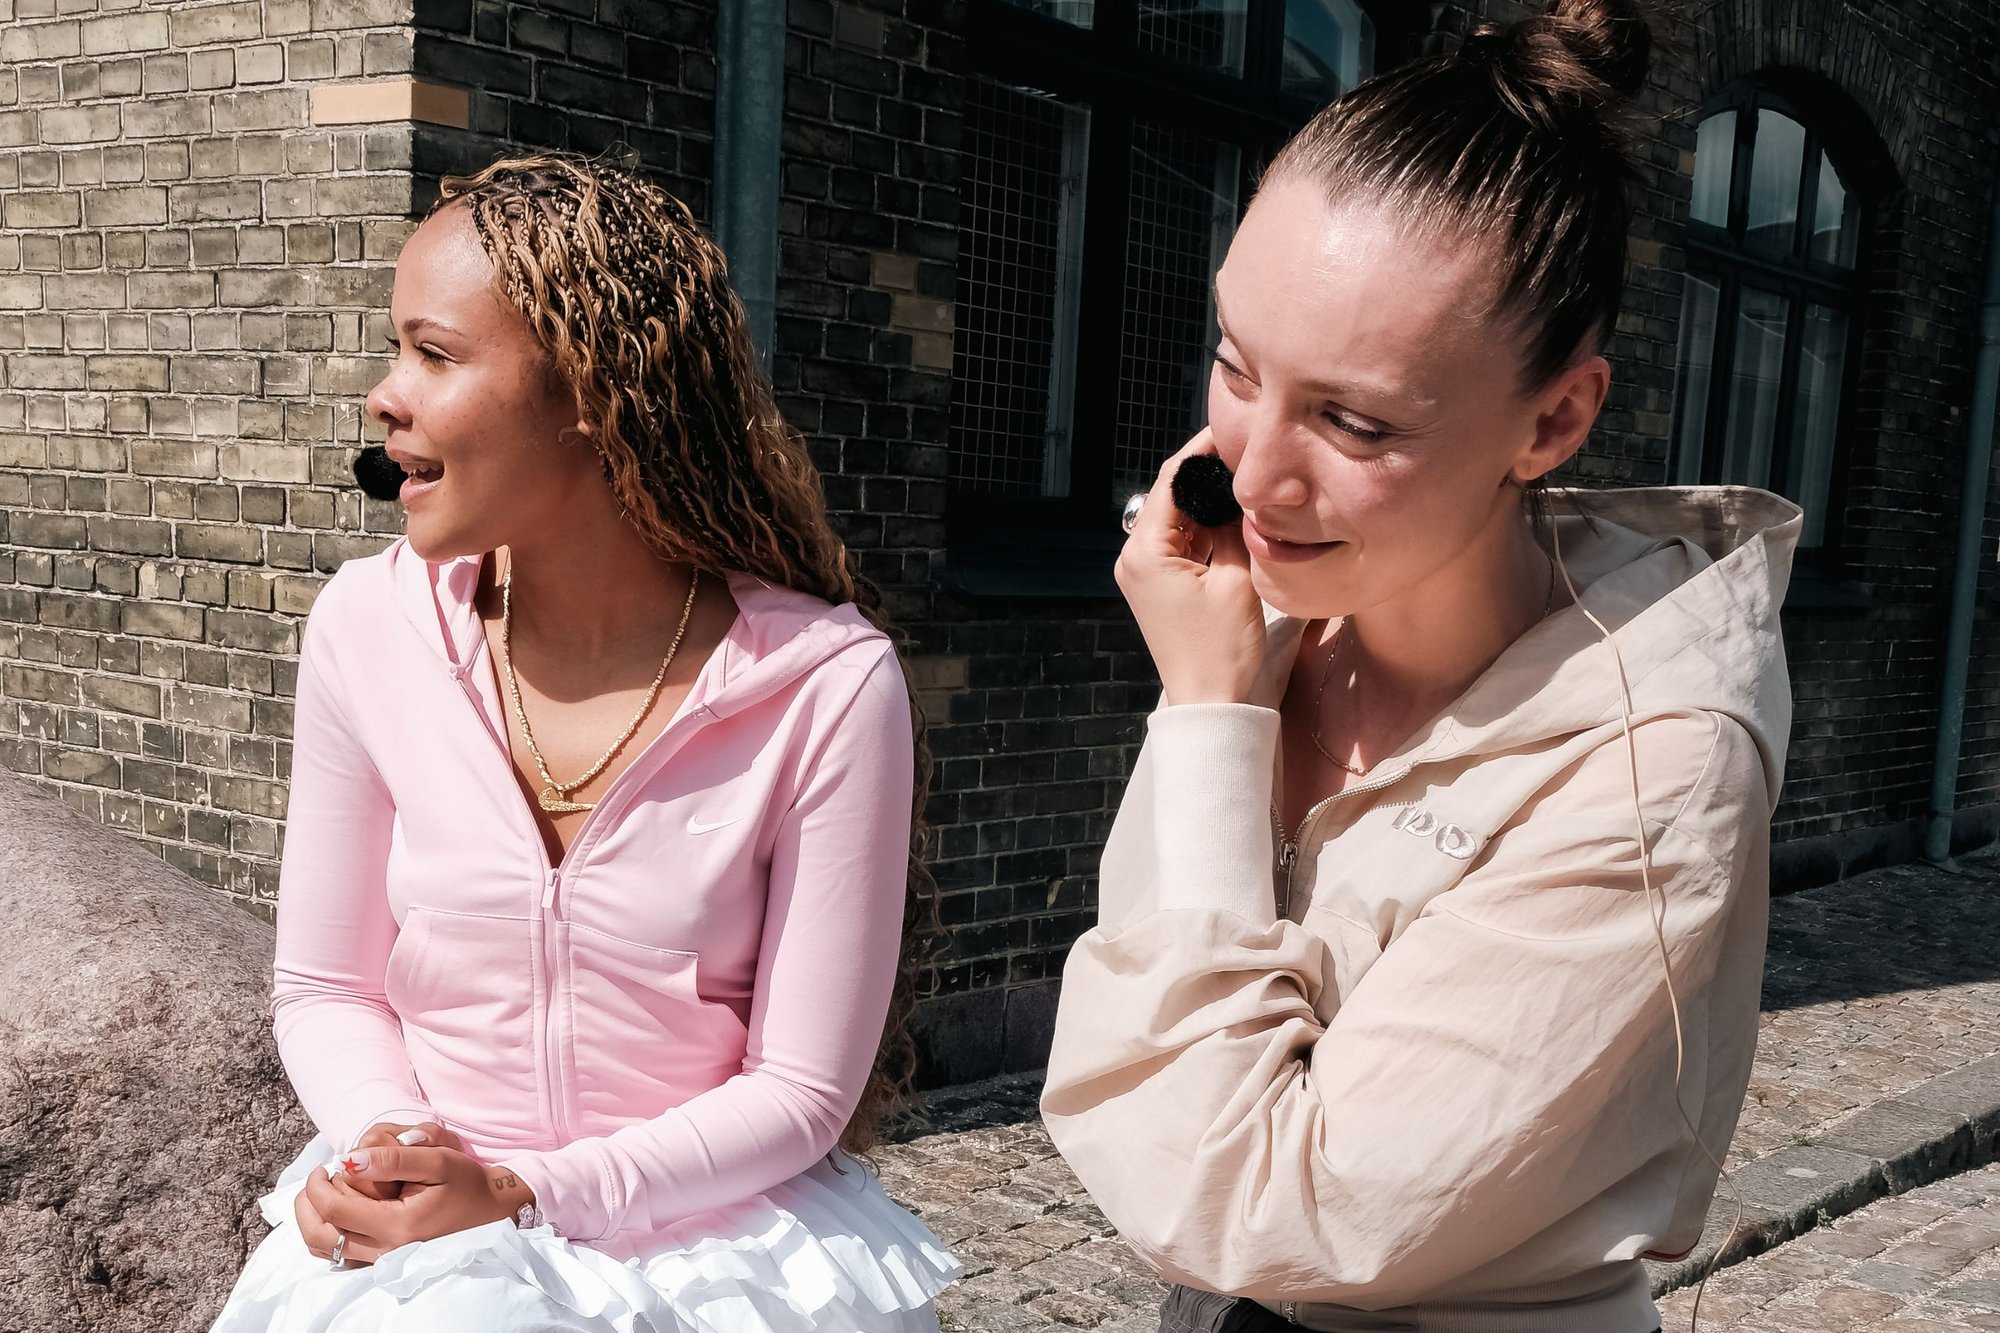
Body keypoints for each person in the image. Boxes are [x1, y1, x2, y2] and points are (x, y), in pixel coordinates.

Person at [1039, 3, 1799, 1331]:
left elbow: (1256, 1204)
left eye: (1352, 420)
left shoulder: (1653, 766)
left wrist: (1209, 718)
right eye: (1234, 365)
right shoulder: (1278, 606)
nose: (1250, 477)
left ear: (1552, 419)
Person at [209, 153, 960, 1332]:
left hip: (723, 1253)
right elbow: (326, 984)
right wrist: (393, 1153)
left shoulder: (826, 683)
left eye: (433, 353)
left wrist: (526, 1193)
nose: (383, 396)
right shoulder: (365, 626)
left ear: (589, 389)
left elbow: (802, 1086)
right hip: (433, 1238)